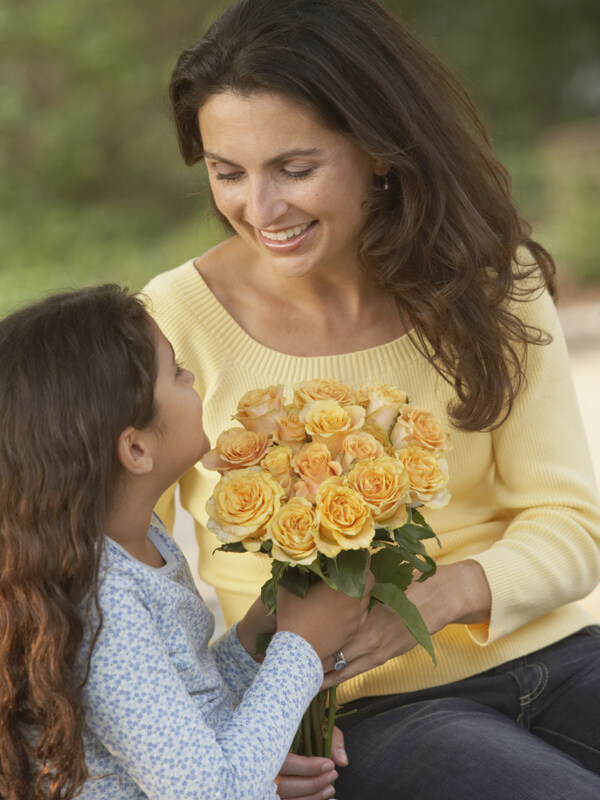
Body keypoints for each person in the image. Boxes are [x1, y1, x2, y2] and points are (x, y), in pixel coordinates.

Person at [142, 0, 600, 797]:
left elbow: (571, 524)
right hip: (367, 716)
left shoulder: (493, 284)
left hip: (562, 657)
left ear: (380, 152)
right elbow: (120, 572)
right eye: (228, 173)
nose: (262, 208)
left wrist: (435, 597)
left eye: (295, 168)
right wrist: (225, 734)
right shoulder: (172, 323)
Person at [0, 284, 374, 800]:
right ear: (135, 447)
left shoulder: (138, 538)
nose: (191, 376)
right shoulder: (103, 606)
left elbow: (178, 700)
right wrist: (302, 648)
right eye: (175, 372)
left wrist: (250, 642)